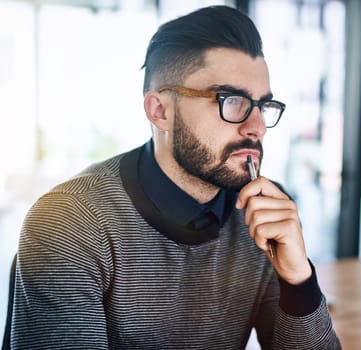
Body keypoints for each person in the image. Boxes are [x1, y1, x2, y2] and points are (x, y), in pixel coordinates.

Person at [10, 5, 341, 349]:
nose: (257, 127)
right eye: (232, 101)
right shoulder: (71, 222)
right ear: (160, 111)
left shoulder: (262, 212)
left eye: (263, 106)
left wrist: (298, 280)